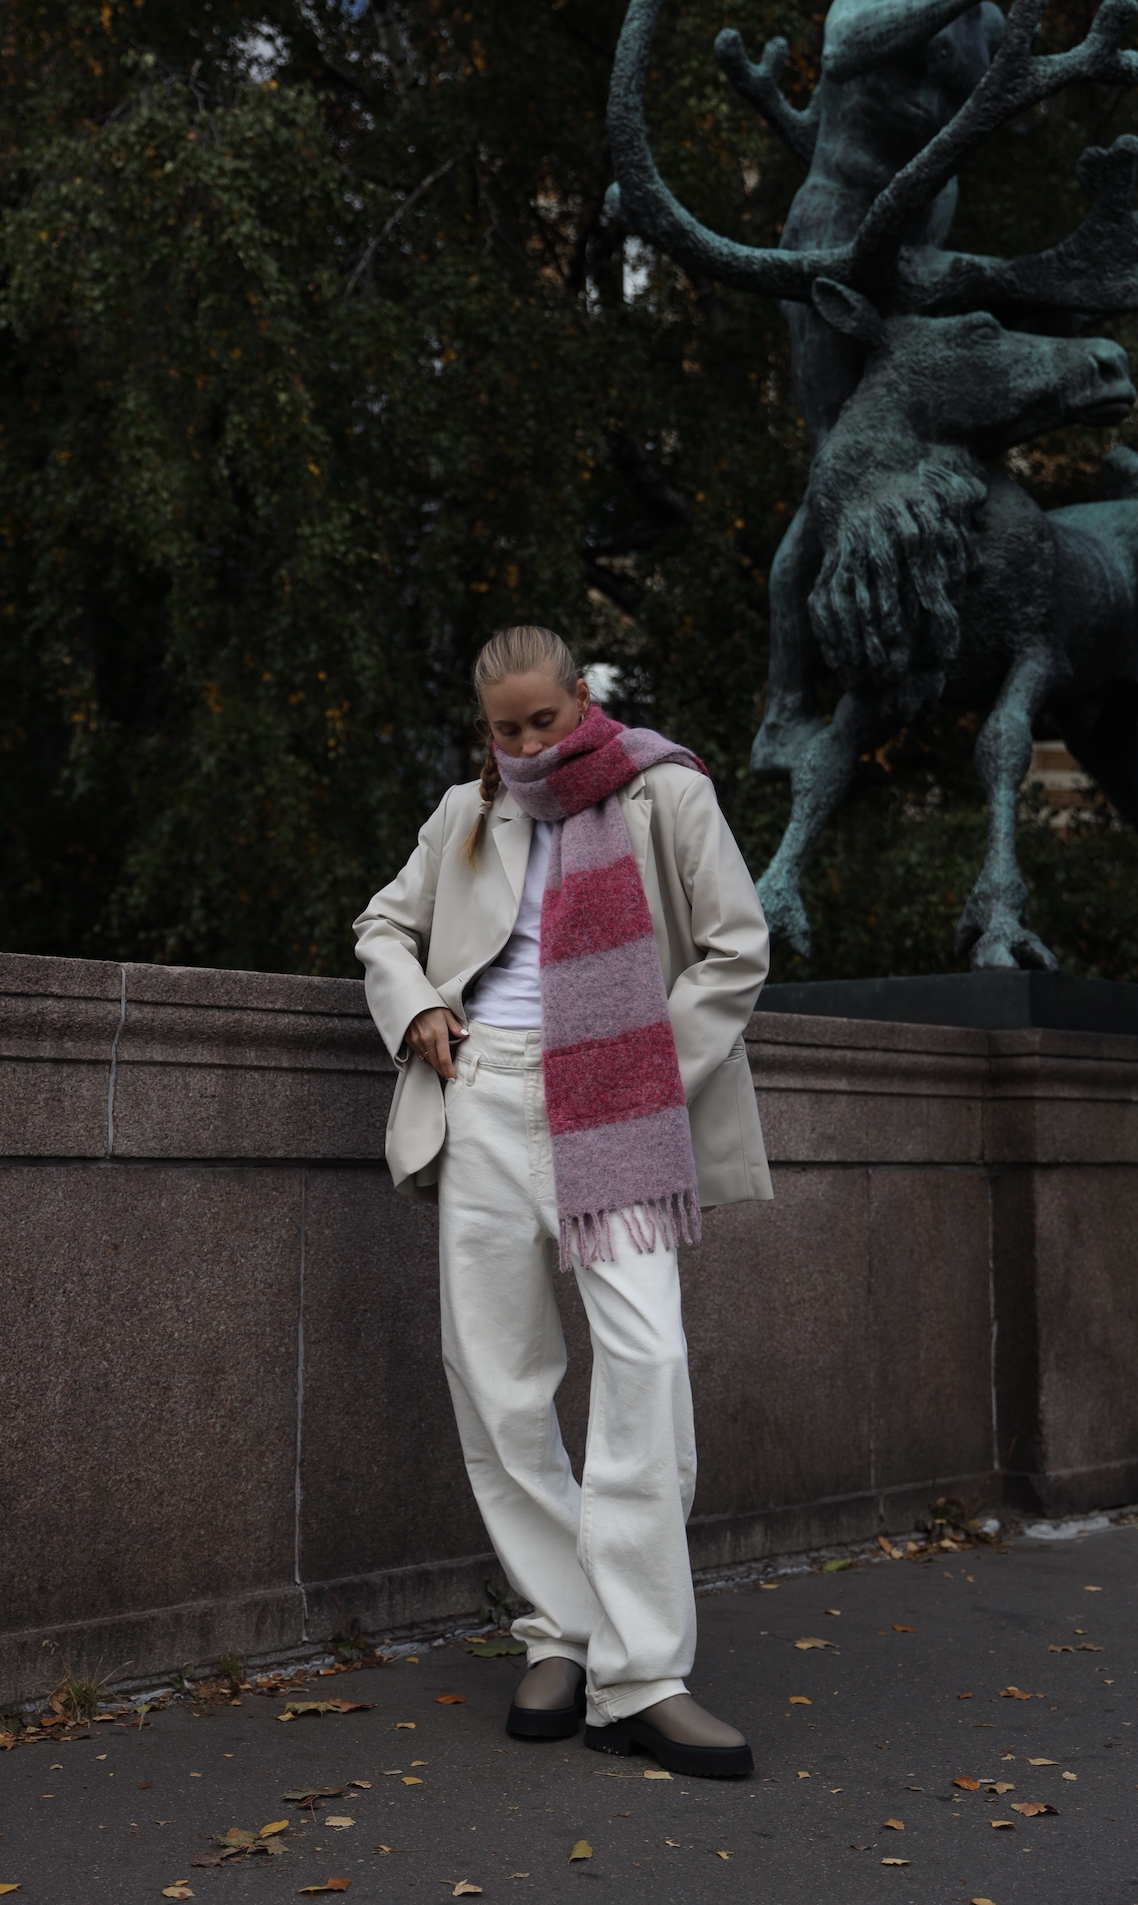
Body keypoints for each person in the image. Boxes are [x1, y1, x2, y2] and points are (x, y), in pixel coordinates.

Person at [354, 625, 771, 1779]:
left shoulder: (663, 791)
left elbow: (735, 949)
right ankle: (563, 1630)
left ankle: (646, 1673)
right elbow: (384, 925)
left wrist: (641, 1068)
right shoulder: (467, 813)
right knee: (497, 1379)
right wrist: (417, 1005)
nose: (529, 743)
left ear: (583, 698)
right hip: (484, 1093)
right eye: (507, 728)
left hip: (619, 1102)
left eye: (545, 719)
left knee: (647, 1364)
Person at [751, 0, 1110, 778]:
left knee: (940, 437)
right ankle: (786, 708)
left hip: (916, 262)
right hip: (835, 245)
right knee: (844, 461)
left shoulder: (994, 23)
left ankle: (926, 640)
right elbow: (845, 41)